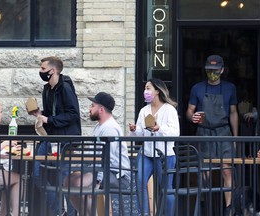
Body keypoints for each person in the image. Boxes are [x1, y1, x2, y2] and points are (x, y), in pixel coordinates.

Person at [186, 54, 238, 215]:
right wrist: (192, 118)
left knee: (227, 170)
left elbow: (234, 112)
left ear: (222, 70)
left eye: (215, 70)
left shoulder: (230, 88)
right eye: (209, 70)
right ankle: (203, 206)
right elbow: (189, 111)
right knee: (204, 172)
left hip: (224, 132)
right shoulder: (197, 88)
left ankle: (229, 209)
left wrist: (235, 138)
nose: (212, 73)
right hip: (204, 132)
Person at [64, 92, 131, 215]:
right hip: (99, 169)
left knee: (79, 184)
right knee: (68, 181)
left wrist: (97, 182)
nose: (89, 109)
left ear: (101, 109)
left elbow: (107, 159)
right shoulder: (98, 127)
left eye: (92, 105)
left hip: (116, 173)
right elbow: (93, 154)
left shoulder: (110, 128)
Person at [31, 56, 81, 216]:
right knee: (37, 173)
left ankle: (71, 213)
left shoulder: (65, 88)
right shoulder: (47, 89)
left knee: (64, 178)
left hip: (65, 139)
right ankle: (60, 211)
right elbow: (52, 114)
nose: (40, 72)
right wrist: (40, 114)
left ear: (53, 71)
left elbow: (73, 114)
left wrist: (49, 119)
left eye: (43, 69)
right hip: (51, 137)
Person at [129, 78, 180, 216]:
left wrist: (159, 128)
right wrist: (134, 130)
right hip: (147, 153)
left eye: (148, 88)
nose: (145, 91)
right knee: (140, 183)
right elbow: (140, 134)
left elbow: (175, 132)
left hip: (165, 154)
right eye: (145, 88)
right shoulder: (144, 110)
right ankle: (145, 213)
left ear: (157, 91)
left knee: (166, 188)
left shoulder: (169, 110)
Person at [0, 96, 22, 216]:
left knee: (9, 181)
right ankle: (15, 213)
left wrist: (9, 148)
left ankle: (3, 214)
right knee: (18, 180)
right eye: (1, 112)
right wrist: (5, 143)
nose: (1, 115)